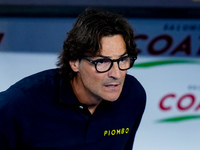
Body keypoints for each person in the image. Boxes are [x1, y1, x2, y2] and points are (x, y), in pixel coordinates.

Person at [0, 8, 146, 150]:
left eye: (122, 60)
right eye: (102, 62)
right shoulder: (19, 104)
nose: (116, 74)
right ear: (74, 62)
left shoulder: (132, 95)